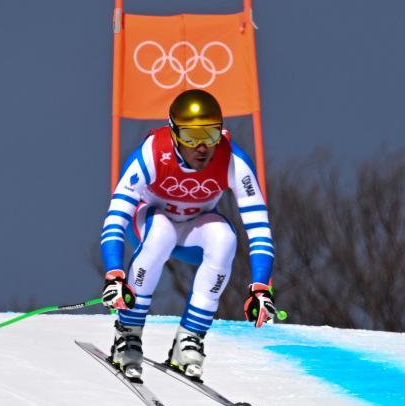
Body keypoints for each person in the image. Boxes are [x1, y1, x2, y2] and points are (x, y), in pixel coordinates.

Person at [99, 89, 277, 382]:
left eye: (210, 135)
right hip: (149, 224)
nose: (202, 147)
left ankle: (190, 338)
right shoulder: (152, 154)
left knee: (224, 237)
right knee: (161, 233)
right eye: (191, 136)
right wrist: (114, 275)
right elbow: (116, 218)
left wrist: (260, 288)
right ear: (173, 133)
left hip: (194, 231)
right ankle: (128, 334)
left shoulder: (232, 160)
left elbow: (259, 229)